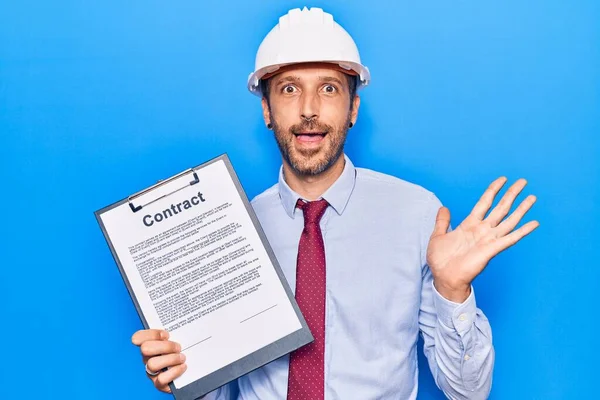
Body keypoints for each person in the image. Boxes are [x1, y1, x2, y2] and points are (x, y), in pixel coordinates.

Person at [131, 7, 539, 399]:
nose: (309, 110)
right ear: (267, 110)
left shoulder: (416, 215)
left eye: (329, 88)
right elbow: (218, 394)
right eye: (289, 89)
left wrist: (453, 290)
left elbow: (468, 392)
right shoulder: (231, 229)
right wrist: (186, 372)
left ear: (353, 108)